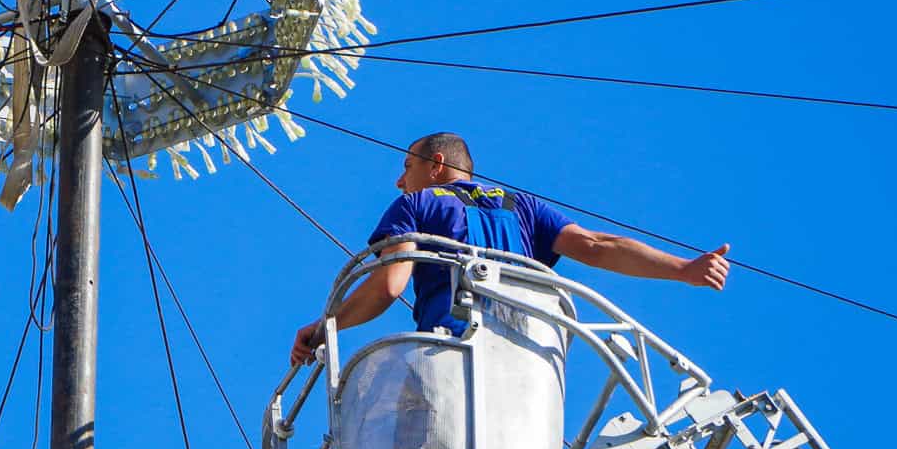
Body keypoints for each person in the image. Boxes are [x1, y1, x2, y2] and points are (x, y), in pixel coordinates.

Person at [290, 132, 728, 365]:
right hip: (528, 357)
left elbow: (389, 285)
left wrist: (323, 327)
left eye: (408, 167)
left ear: (437, 164)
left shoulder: (416, 203)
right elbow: (597, 246)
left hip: (450, 347)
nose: (400, 180)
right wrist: (683, 269)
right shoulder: (523, 206)